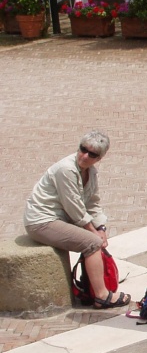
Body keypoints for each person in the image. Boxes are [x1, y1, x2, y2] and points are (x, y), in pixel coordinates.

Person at [23, 131, 131, 309]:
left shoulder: (91, 172)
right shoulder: (66, 169)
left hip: (60, 218)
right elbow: (74, 207)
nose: (85, 156)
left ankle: (91, 289)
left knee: (95, 239)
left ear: (99, 158)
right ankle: (102, 296)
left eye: (92, 154)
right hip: (41, 221)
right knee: (92, 243)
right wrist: (94, 233)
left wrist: (101, 228)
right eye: (83, 149)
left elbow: (93, 203)